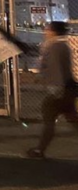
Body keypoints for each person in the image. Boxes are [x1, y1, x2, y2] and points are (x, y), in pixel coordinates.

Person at [27, 21, 78, 158]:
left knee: (49, 115)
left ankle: (39, 150)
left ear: (53, 31)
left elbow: (56, 70)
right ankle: (39, 149)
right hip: (68, 88)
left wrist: (56, 90)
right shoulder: (62, 45)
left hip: (60, 89)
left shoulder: (55, 47)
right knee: (72, 118)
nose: (45, 31)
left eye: (47, 29)